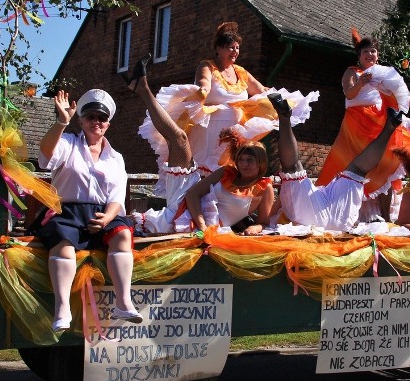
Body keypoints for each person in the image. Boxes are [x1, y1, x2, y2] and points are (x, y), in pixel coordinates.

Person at [138, 22, 317, 187]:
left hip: (233, 130)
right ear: (219, 48)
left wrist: (281, 98)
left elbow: (262, 90)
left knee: (230, 168)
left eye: (237, 48)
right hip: (209, 129)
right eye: (231, 47)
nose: (235, 51)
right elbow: (204, 83)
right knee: (204, 169)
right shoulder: (207, 66)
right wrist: (202, 91)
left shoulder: (241, 72)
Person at [316, 29, 410, 221]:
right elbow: (349, 93)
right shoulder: (352, 72)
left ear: (378, 55)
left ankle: (385, 217)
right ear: (359, 55)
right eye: (366, 51)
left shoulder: (384, 73)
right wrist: (361, 83)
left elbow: (404, 98)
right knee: (350, 166)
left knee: (386, 167)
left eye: (373, 51)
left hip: (381, 124)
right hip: (358, 126)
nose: (370, 54)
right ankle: (341, 212)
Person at [34, 88, 142, 331]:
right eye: (91, 116)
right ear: (81, 120)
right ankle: (62, 309)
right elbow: (44, 156)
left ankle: (123, 302)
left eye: (101, 118)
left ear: (108, 125)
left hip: (103, 215)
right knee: (63, 242)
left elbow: (116, 197)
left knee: (123, 233)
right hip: (68, 212)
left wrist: (108, 219)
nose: (96, 122)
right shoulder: (68, 143)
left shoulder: (116, 158)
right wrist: (61, 122)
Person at [270, 92, 401, 231]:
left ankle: (284, 118)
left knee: (292, 168)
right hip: (338, 218)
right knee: (357, 170)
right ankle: (390, 128)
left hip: (310, 219)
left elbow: (269, 216)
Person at [126, 55, 201, 233]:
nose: (234, 51)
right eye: (230, 46)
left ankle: (142, 88)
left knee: (178, 139)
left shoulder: (260, 189)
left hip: (187, 209)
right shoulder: (238, 176)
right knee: (178, 139)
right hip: (198, 186)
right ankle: (142, 88)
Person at [183, 129, 275, 236]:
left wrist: (254, 227)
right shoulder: (225, 172)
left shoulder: (264, 187)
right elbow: (192, 194)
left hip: (214, 233)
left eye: (250, 160)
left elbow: (264, 223)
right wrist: (202, 226)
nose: (244, 164)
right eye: (241, 159)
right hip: (188, 220)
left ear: (261, 163)